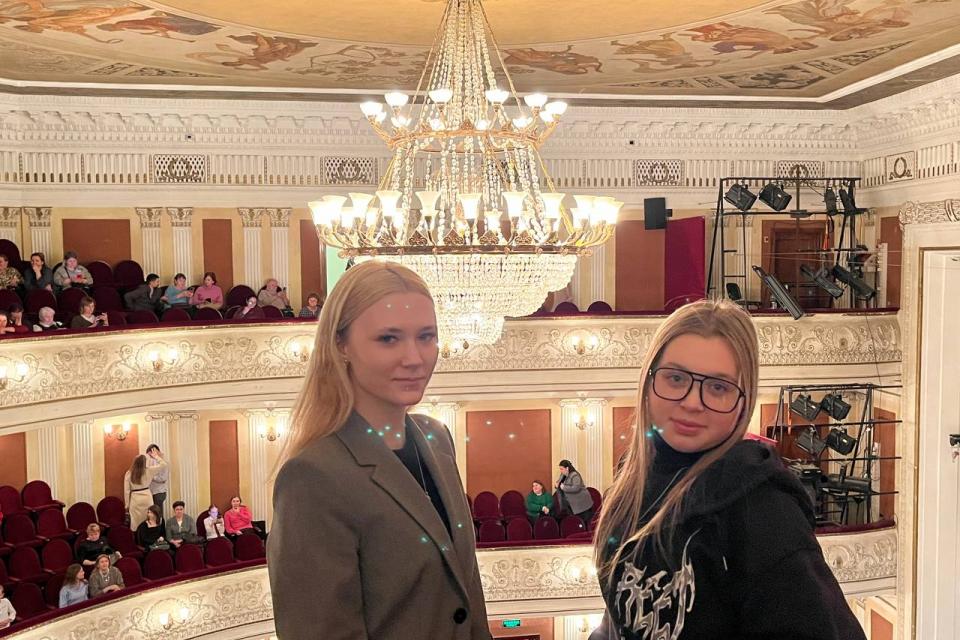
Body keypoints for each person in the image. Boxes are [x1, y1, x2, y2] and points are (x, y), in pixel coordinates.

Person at [590, 300, 865, 640]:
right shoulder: (632, 482)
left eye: (718, 387)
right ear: (648, 382)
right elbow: (619, 620)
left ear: (742, 404)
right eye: (676, 378)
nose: (692, 402)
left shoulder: (763, 511)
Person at [269, 261, 491, 640]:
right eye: (389, 338)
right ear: (341, 345)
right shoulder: (313, 477)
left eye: (426, 336)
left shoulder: (436, 438)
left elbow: (467, 597)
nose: (415, 357)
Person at [124, 453, 167, 530]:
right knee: (149, 519)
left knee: (135, 522)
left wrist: (127, 505)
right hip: (147, 497)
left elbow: (126, 491)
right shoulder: (149, 470)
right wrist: (156, 456)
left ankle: (137, 536)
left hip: (135, 498)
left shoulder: (129, 473)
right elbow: (163, 464)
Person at [556, 459, 593, 527]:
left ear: (567, 468)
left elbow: (576, 488)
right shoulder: (563, 475)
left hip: (581, 502)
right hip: (571, 503)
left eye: (562, 469)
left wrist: (564, 487)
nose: (560, 471)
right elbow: (559, 482)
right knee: (574, 521)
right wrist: (557, 484)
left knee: (582, 522)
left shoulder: (575, 475)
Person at [146, 444, 168, 513]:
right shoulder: (152, 461)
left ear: (155, 451)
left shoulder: (163, 461)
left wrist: (151, 477)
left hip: (159, 492)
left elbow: (163, 478)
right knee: (154, 513)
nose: (150, 457)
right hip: (152, 491)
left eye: (151, 454)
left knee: (158, 513)